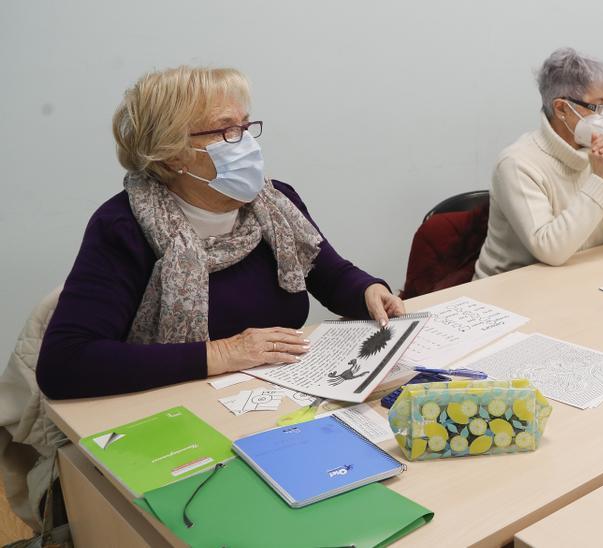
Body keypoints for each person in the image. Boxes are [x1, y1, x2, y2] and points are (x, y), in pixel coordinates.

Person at [37, 66, 403, 399]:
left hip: (276, 396)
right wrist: (224, 353)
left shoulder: (275, 204)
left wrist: (367, 290)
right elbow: (65, 363)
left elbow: (330, 275)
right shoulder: (123, 227)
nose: (246, 144)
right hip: (171, 409)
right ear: (172, 154)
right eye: (226, 130)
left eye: (245, 127)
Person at [475, 48, 603, 278]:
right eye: (597, 106)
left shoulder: (595, 154)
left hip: (577, 278)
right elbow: (551, 250)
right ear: (562, 108)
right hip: (513, 289)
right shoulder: (516, 163)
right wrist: (601, 182)